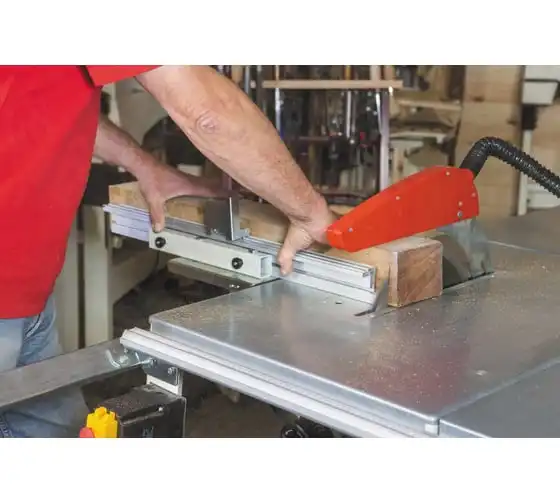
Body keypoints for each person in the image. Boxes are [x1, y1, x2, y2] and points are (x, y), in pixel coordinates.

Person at [0, 65, 337, 437]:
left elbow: (41, 101)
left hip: (28, 295)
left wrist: (145, 166)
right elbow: (208, 112)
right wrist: (310, 213)